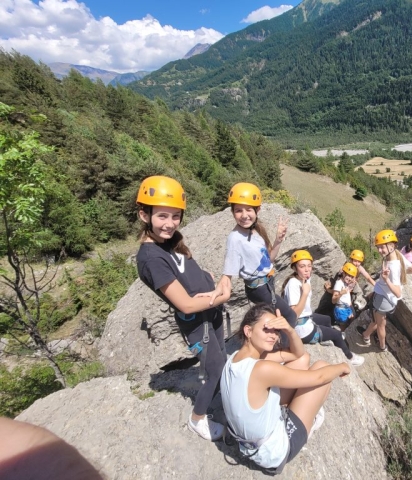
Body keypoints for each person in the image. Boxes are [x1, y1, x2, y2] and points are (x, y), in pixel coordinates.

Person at [136, 175, 230, 442]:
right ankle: (197, 420)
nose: (170, 223)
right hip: (196, 322)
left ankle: (218, 393)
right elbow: (185, 303)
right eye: (162, 216)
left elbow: (185, 270)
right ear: (144, 215)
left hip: (209, 311)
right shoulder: (151, 258)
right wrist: (221, 296)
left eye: (175, 216)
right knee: (216, 370)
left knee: (221, 360)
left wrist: (207, 277)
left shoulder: (169, 242)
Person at [221, 303, 351, 474]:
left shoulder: (234, 359)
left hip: (249, 443)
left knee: (302, 361)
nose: (273, 336)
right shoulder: (262, 369)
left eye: (275, 330)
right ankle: (309, 419)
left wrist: (289, 329)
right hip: (274, 453)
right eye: (266, 329)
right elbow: (319, 377)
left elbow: (298, 354)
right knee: (322, 368)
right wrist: (342, 366)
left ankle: (294, 409)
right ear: (248, 331)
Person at [218, 182, 297, 329]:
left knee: (273, 319)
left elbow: (269, 259)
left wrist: (278, 240)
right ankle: (283, 347)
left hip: (267, 283)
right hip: (259, 289)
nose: (244, 215)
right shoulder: (235, 238)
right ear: (232, 212)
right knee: (290, 316)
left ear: (257, 210)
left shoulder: (256, 230)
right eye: (238, 210)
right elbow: (227, 275)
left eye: (249, 210)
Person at [283, 251, 364, 366]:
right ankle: (350, 358)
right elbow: (293, 314)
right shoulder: (293, 285)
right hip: (301, 328)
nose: (307, 269)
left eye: (309, 266)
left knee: (326, 319)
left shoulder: (305, 279)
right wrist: (305, 293)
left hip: (306, 317)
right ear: (294, 268)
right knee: (336, 335)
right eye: (302, 266)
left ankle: (326, 337)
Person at [357, 229, 412, 352]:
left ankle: (382, 346)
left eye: (382, 248)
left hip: (383, 299)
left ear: (391, 246)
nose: (379, 251)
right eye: (378, 248)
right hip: (386, 298)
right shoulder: (398, 255)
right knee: (377, 320)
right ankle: (366, 335)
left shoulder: (392, 266)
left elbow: (398, 293)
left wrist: (386, 280)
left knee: (380, 325)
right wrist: (402, 273)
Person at [332, 262, 358, 330]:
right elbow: (333, 300)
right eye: (348, 275)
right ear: (343, 273)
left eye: (352, 277)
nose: (350, 278)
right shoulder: (339, 283)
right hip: (341, 310)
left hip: (346, 308)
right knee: (343, 326)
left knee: (350, 322)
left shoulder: (345, 283)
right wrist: (341, 293)